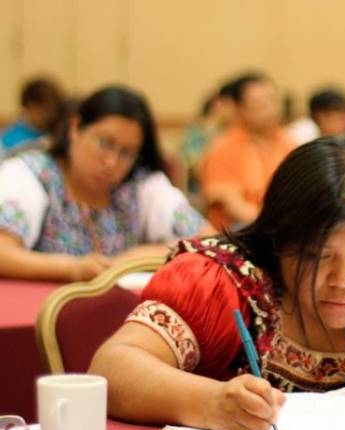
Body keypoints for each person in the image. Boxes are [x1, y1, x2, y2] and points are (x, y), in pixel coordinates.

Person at [89, 135, 345, 430]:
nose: (343, 280)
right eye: (317, 256)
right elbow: (112, 369)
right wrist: (211, 402)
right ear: (278, 240)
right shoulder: (221, 286)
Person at [0, 85, 208, 282]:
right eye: (105, 143)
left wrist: (139, 258)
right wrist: (71, 269)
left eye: (127, 152)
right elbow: (3, 252)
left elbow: (209, 241)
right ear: (75, 128)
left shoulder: (140, 184)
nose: (112, 163)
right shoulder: (32, 174)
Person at [201, 72, 295, 230]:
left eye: (273, 101)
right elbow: (235, 208)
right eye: (259, 105)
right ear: (239, 109)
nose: (270, 110)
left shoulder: (288, 142)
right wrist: (278, 225)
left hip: (282, 228)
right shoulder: (223, 149)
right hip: (241, 233)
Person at [0, 77, 64, 157]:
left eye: (52, 109)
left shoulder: (53, 132)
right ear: (29, 107)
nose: (49, 115)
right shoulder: (10, 138)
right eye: (43, 109)